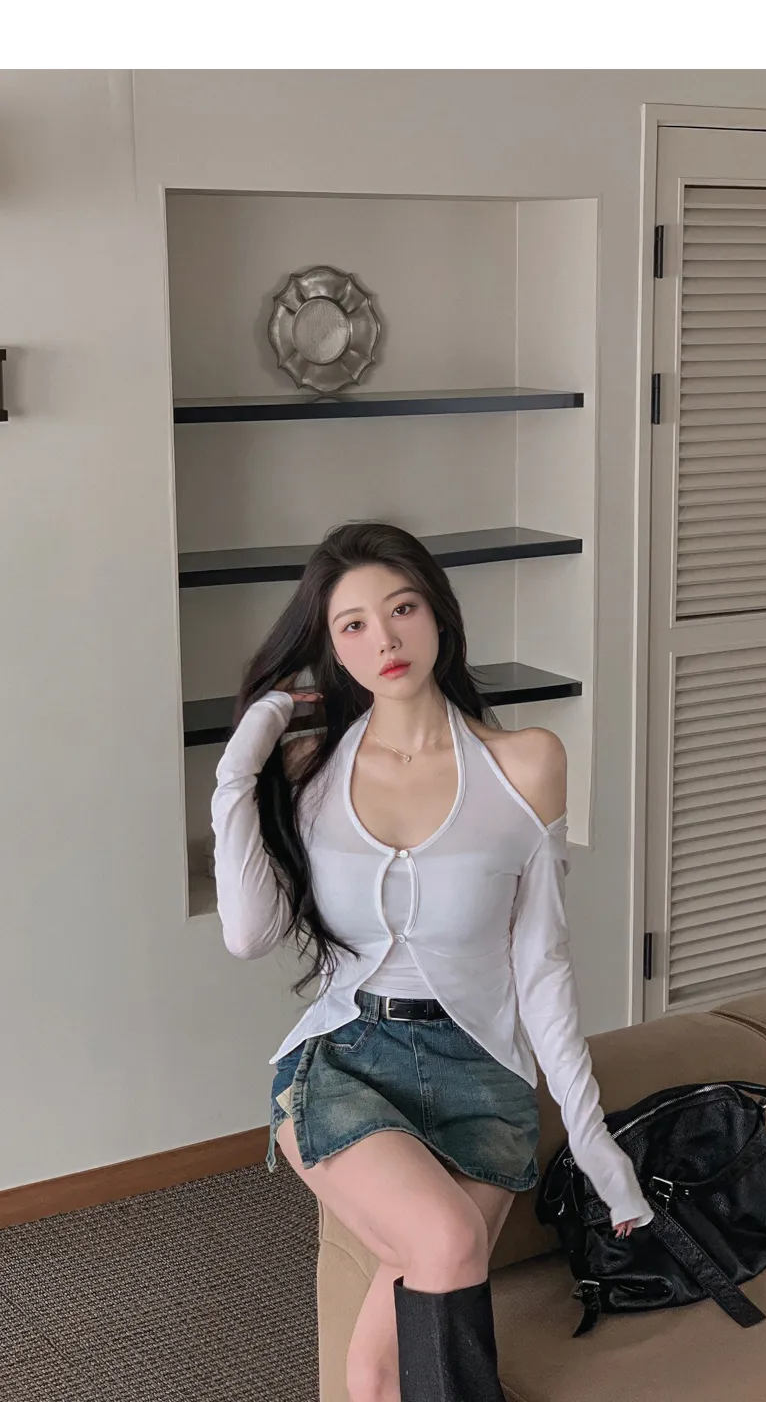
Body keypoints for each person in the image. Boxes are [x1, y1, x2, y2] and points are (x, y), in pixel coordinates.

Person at [213, 515, 651, 1402]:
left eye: (402, 609)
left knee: (377, 1370)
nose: (385, 639)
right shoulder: (308, 769)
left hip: (480, 1071)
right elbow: (249, 933)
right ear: (332, 648)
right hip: (344, 1059)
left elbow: (542, 969)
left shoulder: (527, 764)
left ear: (439, 614)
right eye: (353, 625)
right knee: (447, 1241)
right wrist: (240, 765)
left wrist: (596, 1145)